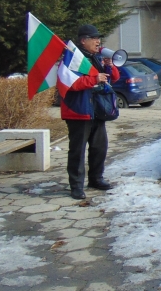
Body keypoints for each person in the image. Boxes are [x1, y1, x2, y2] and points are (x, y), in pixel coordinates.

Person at [61, 24, 120, 200]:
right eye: (94, 38)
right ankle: (76, 186)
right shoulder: (71, 57)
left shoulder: (95, 58)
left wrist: (110, 67)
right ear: (83, 40)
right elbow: (69, 83)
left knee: (99, 147)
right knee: (77, 151)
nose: (98, 41)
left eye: (98, 38)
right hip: (78, 111)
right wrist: (95, 78)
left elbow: (113, 79)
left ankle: (96, 178)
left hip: (96, 110)